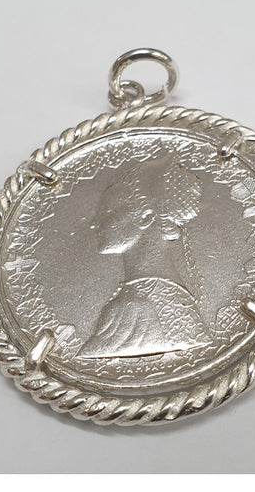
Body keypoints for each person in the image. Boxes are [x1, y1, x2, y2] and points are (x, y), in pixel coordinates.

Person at [79, 152, 212, 358]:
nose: (95, 223)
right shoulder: (153, 298)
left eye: (108, 212)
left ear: (146, 216)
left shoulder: (141, 306)